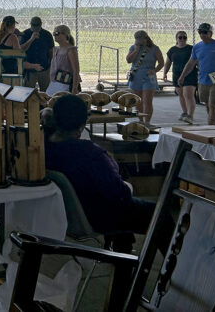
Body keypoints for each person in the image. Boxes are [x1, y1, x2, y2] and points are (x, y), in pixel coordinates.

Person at [45, 95, 170, 253]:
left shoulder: (44, 148)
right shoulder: (89, 154)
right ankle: (174, 272)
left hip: (67, 216)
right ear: (82, 125)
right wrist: (126, 185)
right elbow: (119, 194)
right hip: (98, 216)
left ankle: (122, 257)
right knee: (162, 215)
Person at [179, 23, 215, 126]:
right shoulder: (197, 47)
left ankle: (211, 125)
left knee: (213, 103)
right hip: (203, 78)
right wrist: (182, 76)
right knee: (207, 103)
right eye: (200, 32)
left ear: (211, 33)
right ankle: (213, 123)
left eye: (205, 32)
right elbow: (191, 63)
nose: (202, 35)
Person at [126, 30, 164, 127]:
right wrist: (136, 50)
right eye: (137, 40)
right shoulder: (133, 47)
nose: (138, 41)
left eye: (140, 39)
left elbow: (161, 62)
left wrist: (155, 70)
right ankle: (141, 120)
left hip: (148, 76)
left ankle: (147, 122)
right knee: (138, 100)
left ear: (145, 38)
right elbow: (128, 60)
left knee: (147, 100)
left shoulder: (154, 48)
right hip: (136, 75)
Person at [164, 31, 197, 124]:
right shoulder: (172, 50)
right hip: (177, 74)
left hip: (190, 74)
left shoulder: (191, 49)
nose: (182, 39)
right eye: (180, 37)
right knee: (181, 94)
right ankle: (185, 112)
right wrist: (165, 73)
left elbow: (196, 61)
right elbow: (168, 62)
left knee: (188, 95)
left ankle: (190, 115)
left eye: (184, 37)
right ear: (176, 39)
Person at [19, 16, 54, 91]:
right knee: (28, 91)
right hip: (29, 68)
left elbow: (51, 51)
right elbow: (21, 49)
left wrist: (50, 64)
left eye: (37, 25)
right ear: (30, 24)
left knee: (45, 91)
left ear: (41, 24)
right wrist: (31, 39)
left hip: (44, 67)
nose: (35, 27)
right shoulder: (25, 34)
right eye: (33, 25)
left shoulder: (47, 34)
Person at [46, 25, 80, 95]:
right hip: (54, 83)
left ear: (65, 35)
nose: (54, 35)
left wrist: (74, 88)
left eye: (57, 33)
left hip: (66, 83)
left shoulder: (71, 50)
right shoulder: (55, 49)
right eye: (54, 33)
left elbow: (76, 70)